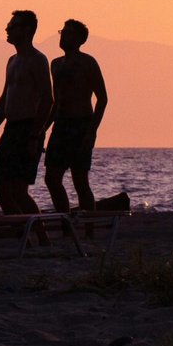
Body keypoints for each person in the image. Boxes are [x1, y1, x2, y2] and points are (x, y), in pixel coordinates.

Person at [0, 10, 54, 215]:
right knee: (1, 189)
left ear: (27, 30)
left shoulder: (38, 60)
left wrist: (34, 135)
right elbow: (4, 98)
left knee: (18, 190)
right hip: (11, 128)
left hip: (28, 128)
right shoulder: (12, 61)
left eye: (13, 25)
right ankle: (22, 230)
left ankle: (40, 236)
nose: (7, 29)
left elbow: (47, 99)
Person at [45, 19, 109, 214]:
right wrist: (42, 130)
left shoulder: (87, 62)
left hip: (81, 124)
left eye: (68, 33)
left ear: (80, 39)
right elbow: (56, 102)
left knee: (80, 180)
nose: (63, 36)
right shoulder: (55, 64)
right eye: (62, 32)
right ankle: (66, 221)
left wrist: (92, 131)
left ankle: (89, 226)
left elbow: (102, 98)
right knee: (52, 178)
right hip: (60, 126)